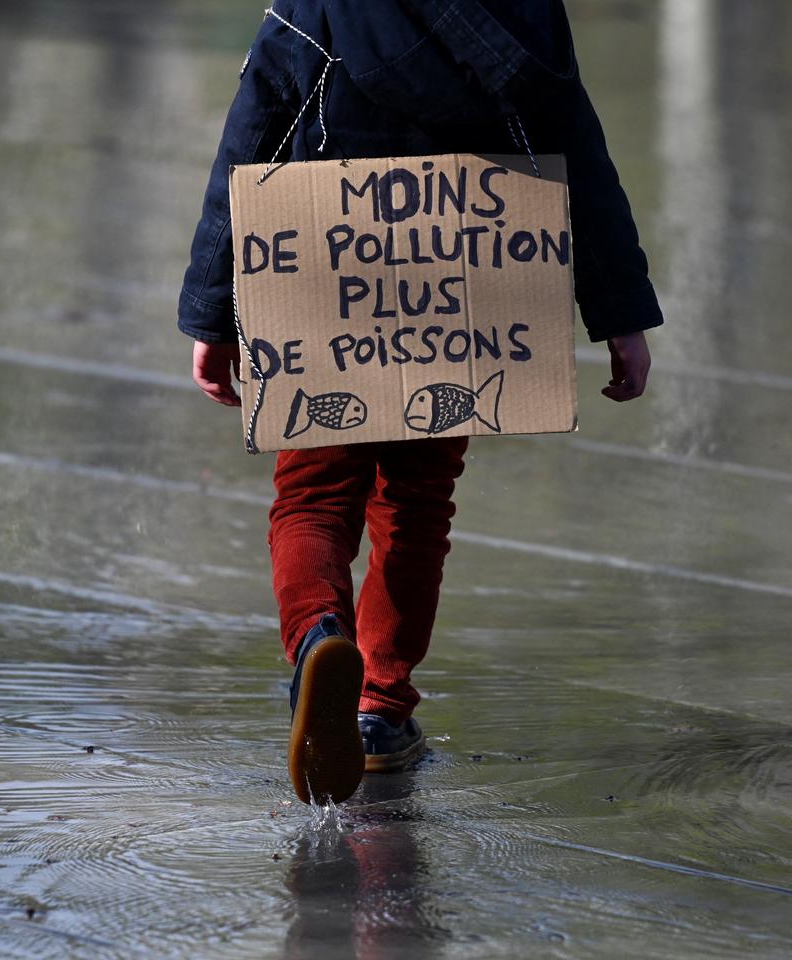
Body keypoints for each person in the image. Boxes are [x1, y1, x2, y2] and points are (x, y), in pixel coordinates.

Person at [179, 0, 661, 804]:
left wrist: (211, 311)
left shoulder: (316, 4)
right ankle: (378, 707)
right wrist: (620, 314)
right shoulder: (527, 11)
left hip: (321, 272)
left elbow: (250, 136)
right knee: (416, 503)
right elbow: (579, 143)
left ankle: (318, 640)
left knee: (312, 498)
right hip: (462, 291)